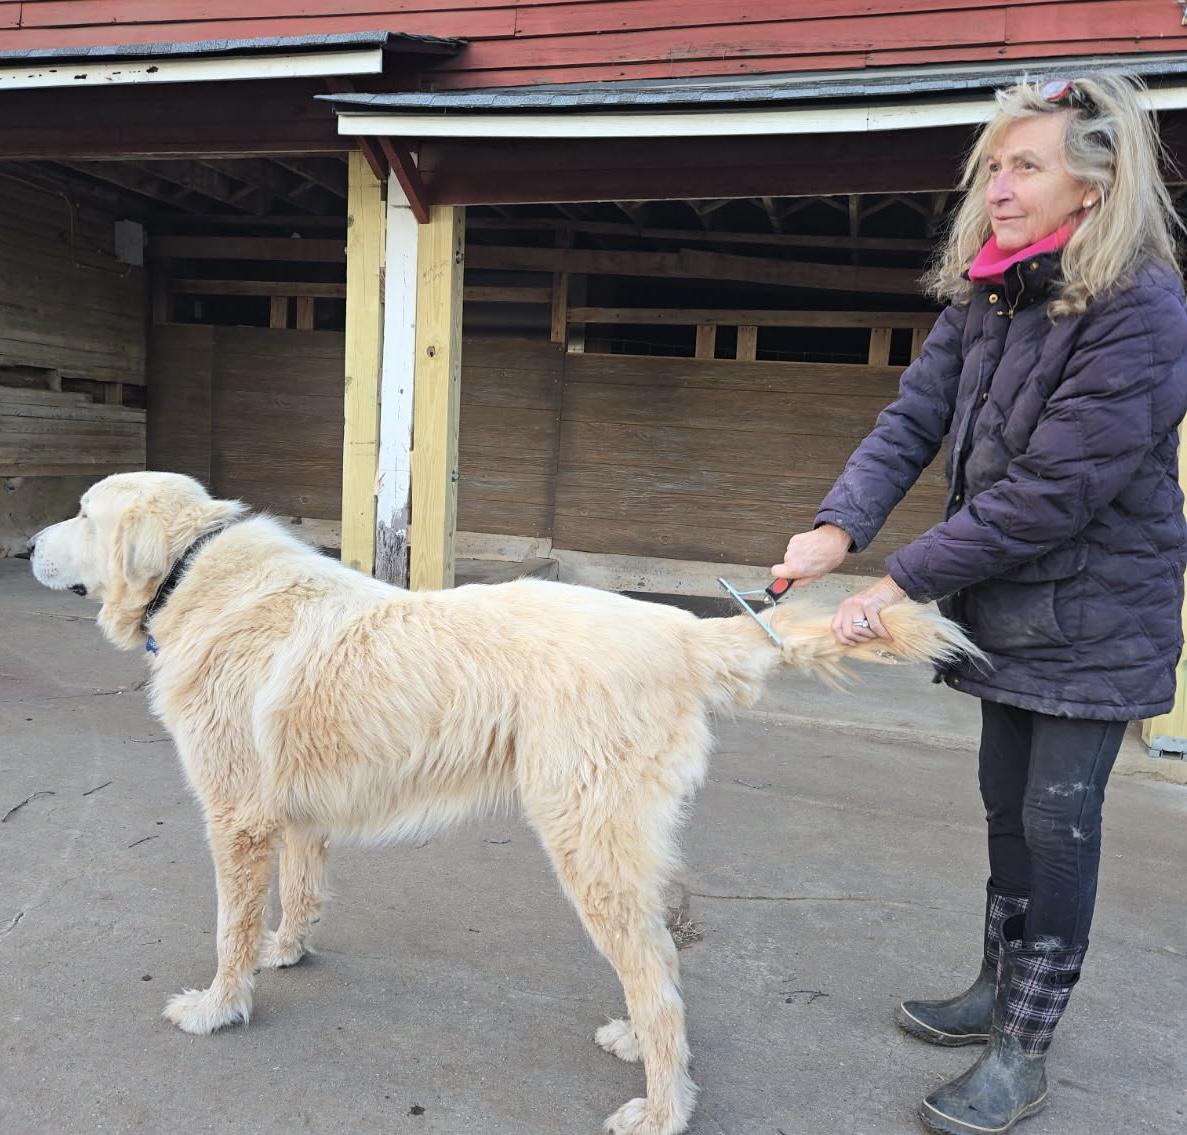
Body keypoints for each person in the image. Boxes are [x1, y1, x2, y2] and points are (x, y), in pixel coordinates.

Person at [771, 73, 1187, 1135]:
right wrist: (835, 525)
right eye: (992, 166)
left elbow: (1051, 492)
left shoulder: (1138, 308)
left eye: (1024, 166)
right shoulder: (992, 288)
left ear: (1089, 189)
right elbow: (913, 414)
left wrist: (900, 578)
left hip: (1098, 611)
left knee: (1056, 821)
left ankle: (1022, 1047)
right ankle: (991, 992)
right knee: (1004, 803)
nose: (996, 187)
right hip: (1007, 606)